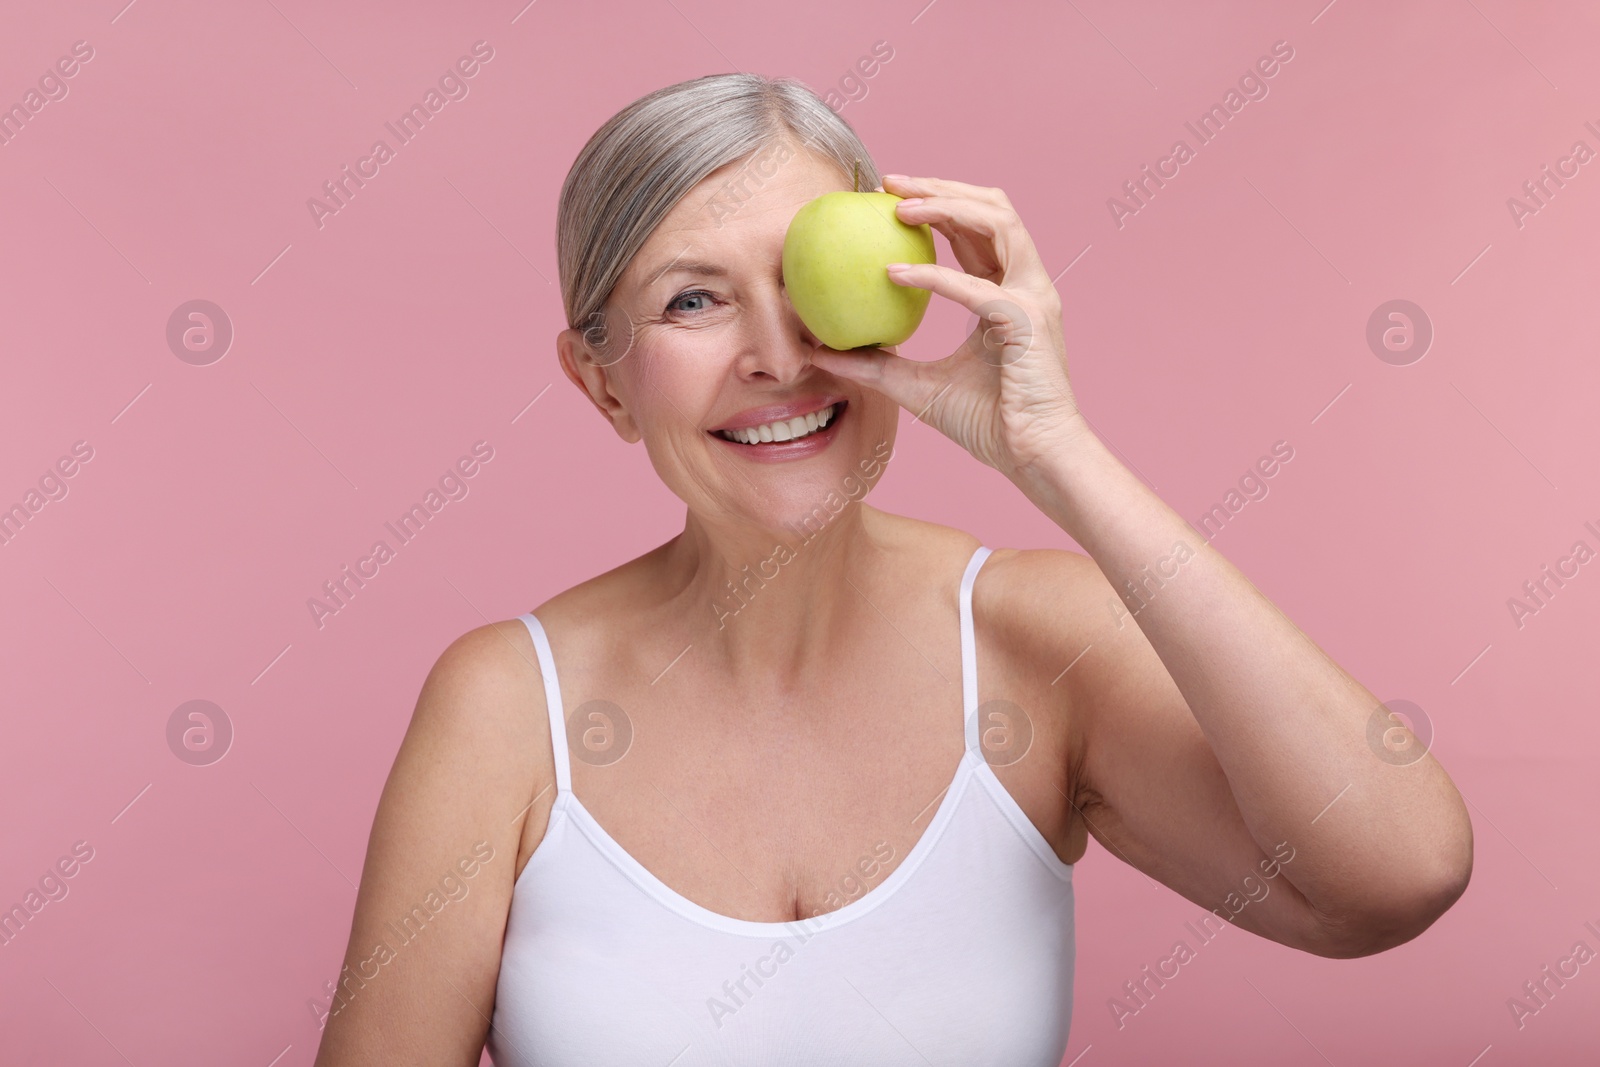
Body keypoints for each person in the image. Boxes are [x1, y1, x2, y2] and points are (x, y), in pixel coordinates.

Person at [313, 72, 1472, 1066]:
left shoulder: (1034, 644)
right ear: (601, 380)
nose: (775, 356)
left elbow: (1395, 875)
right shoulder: (507, 706)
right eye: (694, 299)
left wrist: (1054, 451)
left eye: (808, 278)